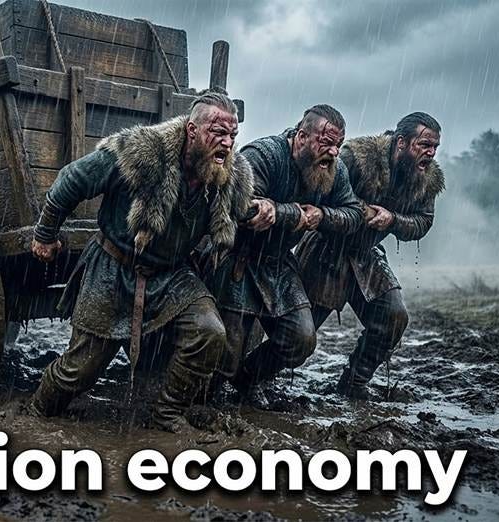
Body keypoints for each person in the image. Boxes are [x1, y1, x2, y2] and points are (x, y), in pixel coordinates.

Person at [27, 92, 254, 432]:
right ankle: (34, 414)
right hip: (114, 267)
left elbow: (243, 213)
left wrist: (268, 210)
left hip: (171, 275)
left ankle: (167, 413)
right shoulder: (140, 152)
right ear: (191, 130)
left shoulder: (229, 175)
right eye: (218, 133)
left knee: (209, 331)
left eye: (232, 135)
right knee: (79, 371)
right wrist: (45, 234)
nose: (227, 143)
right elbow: (72, 179)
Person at [212, 105, 364, 405]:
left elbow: (354, 213)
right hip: (236, 257)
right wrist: (288, 213)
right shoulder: (264, 155)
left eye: (338, 145)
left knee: (301, 338)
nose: (333, 152)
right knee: (225, 353)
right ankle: (207, 395)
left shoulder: (334, 170)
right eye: (326, 142)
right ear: (302, 136)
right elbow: (241, 207)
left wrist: (322, 215)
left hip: (279, 263)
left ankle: (248, 379)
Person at [295, 112, 444, 398]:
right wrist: (355, 212)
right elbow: (317, 193)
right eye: (424, 145)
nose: (431, 153)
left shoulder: (428, 178)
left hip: (367, 256)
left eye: (435, 147)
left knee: (393, 317)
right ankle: (252, 381)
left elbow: (424, 221)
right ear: (401, 142)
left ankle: (354, 384)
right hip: (326, 249)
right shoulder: (358, 157)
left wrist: (393, 220)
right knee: (298, 335)